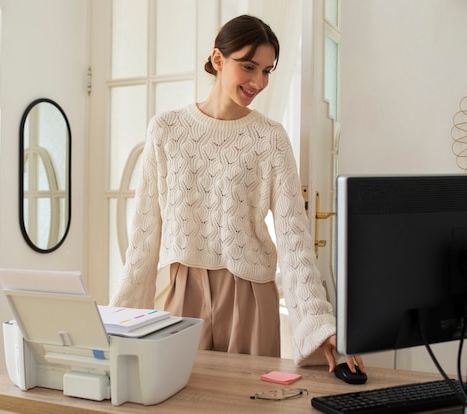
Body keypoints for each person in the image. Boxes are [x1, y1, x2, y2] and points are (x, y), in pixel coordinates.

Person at [110, 14, 364, 374]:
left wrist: (319, 324)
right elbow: (144, 232)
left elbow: (294, 239)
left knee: (251, 403)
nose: (259, 81)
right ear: (218, 60)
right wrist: (121, 317)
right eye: (249, 66)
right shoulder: (166, 130)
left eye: (266, 71)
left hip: (252, 296)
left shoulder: (271, 138)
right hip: (183, 292)